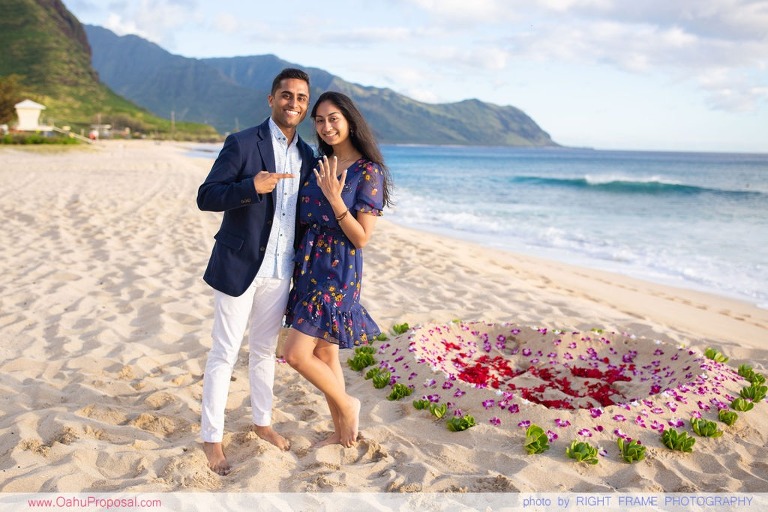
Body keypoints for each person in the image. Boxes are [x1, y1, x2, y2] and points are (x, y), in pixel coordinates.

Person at [196, 68, 315, 475]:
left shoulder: (308, 155)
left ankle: (262, 423)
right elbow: (206, 196)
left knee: (265, 352)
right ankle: (212, 439)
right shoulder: (243, 142)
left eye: (301, 98)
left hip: (282, 270)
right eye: (286, 95)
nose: (293, 103)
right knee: (224, 353)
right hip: (239, 265)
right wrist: (251, 187)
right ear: (270, 99)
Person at [282, 91, 393, 448]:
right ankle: (344, 430)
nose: (326, 126)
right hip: (308, 265)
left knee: (295, 355)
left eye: (333, 119)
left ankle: (348, 406)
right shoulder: (319, 163)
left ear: (349, 121)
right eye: (319, 120)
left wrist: (334, 197)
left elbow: (361, 238)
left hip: (338, 270)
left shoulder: (368, 172)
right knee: (324, 353)